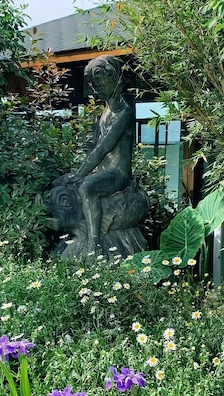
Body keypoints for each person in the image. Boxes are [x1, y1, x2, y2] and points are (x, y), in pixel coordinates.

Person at [73, 55, 134, 251]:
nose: (95, 89)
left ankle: (94, 242)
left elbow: (103, 149)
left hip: (118, 174)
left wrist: (80, 175)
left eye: (99, 83)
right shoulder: (106, 111)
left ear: (114, 77)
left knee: (86, 188)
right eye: (92, 85)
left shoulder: (124, 112)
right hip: (103, 171)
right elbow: (94, 147)